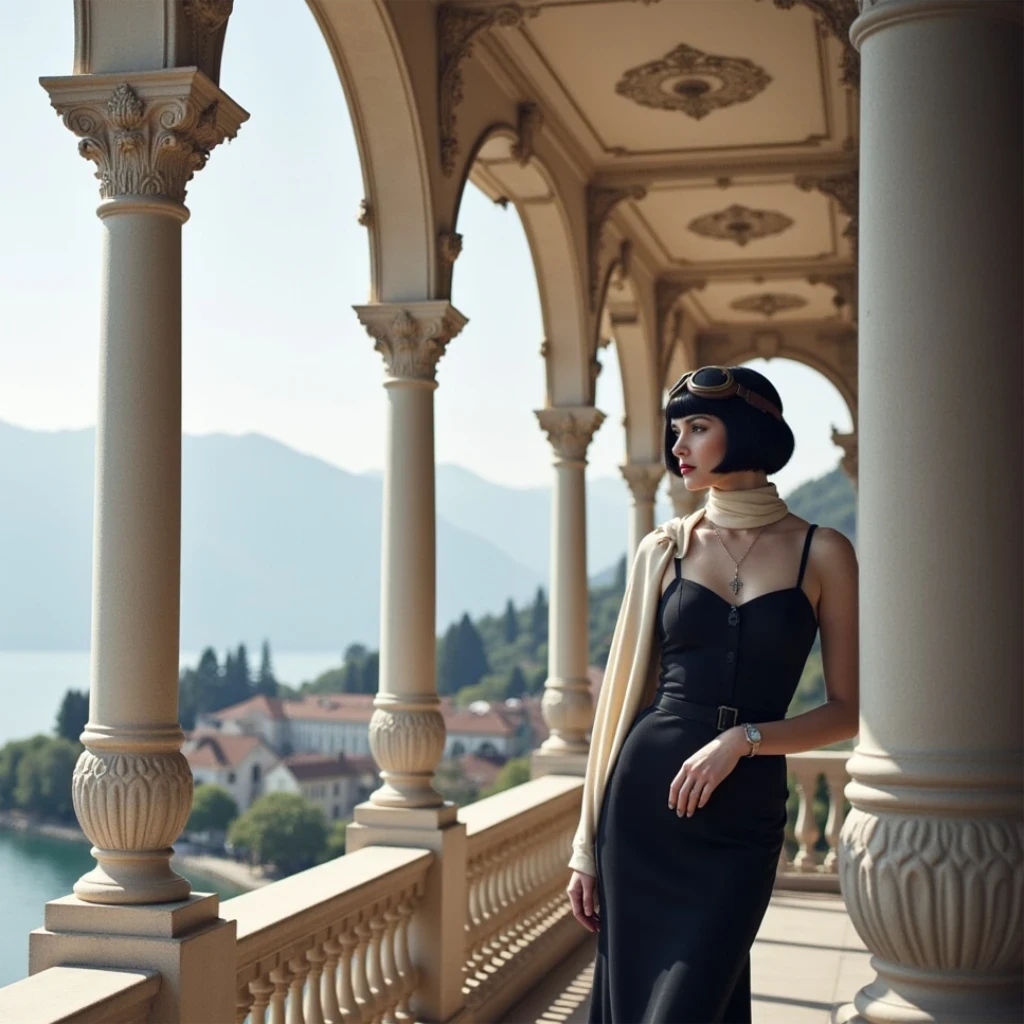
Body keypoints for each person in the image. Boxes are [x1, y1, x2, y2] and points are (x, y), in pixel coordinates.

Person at [565, 365, 859, 1023]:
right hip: (644, 804)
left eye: (698, 427)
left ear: (749, 429)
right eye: (676, 430)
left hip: (743, 815)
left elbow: (847, 709)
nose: (679, 446)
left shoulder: (824, 551)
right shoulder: (662, 551)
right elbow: (617, 703)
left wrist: (743, 740)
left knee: (688, 1005)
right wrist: (585, 847)